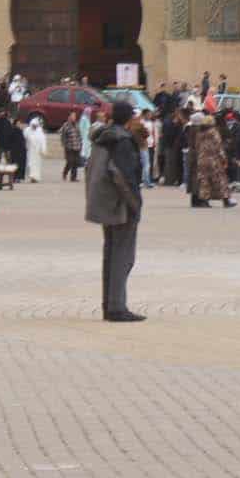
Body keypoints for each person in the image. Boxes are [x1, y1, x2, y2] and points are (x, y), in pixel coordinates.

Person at [84, 101, 144, 323]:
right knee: (123, 256)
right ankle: (117, 307)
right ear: (128, 119)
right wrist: (135, 204)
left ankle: (109, 305)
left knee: (110, 254)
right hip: (121, 206)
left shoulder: (102, 139)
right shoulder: (123, 142)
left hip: (105, 205)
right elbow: (122, 176)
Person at [60, 110, 83, 182]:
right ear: (69, 117)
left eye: (75, 116)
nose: (74, 117)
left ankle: (73, 177)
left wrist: (81, 144)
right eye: (72, 116)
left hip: (77, 146)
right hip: (69, 147)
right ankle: (65, 173)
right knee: (70, 161)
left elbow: (79, 135)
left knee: (76, 162)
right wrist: (65, 145)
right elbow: (63, 137)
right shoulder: (65, 125)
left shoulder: (77, 125)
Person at [24, 117, 48, 183]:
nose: (34, 127)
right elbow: (25, 138)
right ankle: (32, 177)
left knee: (37, 166)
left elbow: (43, 141)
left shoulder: (40, 132)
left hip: (37, 153)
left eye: (35, 125)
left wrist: (43, 150)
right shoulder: (27, 130)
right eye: (33, 125)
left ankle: (35, 178)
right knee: (30, 165)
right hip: (30, 152)